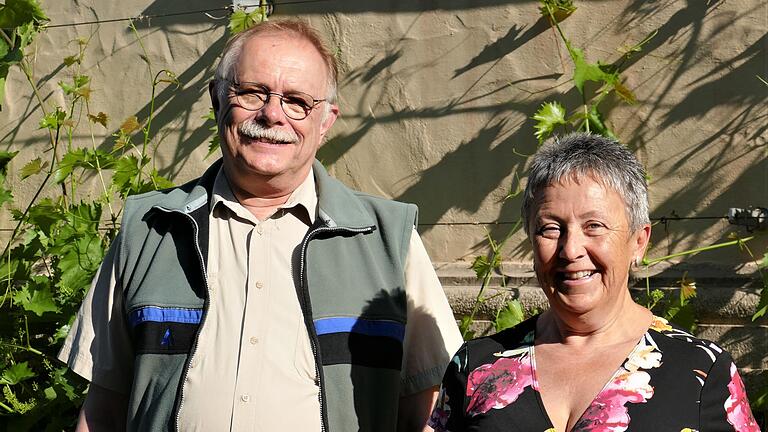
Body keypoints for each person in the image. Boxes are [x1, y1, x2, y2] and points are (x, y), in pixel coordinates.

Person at [58, 19, 463, 432]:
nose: (272, 114)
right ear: (217, 99)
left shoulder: (387, 240)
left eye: (297, 101)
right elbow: (103, 409)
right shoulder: (150, 230)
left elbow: (425, 411)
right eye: (252, 93)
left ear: (325, 121)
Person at [427, 133, 760, 431]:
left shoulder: (700, 373)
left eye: (594, 226)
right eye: (550, 228)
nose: (570, 250)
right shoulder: (478, 365)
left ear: (639, 241)